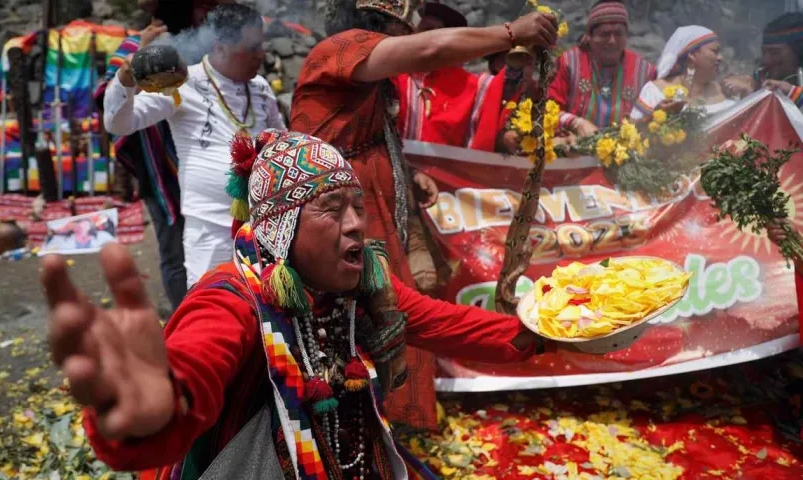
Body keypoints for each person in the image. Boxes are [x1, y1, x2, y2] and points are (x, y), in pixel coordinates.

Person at [43, 129, 552, 480]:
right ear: (281, 227)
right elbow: (193, 364)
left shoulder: (361, 286)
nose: (356, 223)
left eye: (358, 206)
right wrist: (155, 411)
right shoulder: (232, 297)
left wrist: (548, 331)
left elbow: (451, 324)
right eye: (332, 209)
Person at [290, 0, 557, 430]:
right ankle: (349, 420)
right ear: (384, 22)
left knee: (392, 308)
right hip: (329, 215)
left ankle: (387, 417)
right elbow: (430, 52)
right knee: (358, 316)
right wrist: (512, 33)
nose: (407, 34)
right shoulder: (340, 49)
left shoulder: (366, 68)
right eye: (403, 26)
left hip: (367, 205)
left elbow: (368, 133)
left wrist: (408, 175)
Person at [103, 4, 285, 289]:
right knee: (212, 313)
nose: (261, 55)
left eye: (261, 45)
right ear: (221, 47)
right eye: (252, 47)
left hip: (267, 228)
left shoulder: (261, 87)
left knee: (267, 316)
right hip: (210, 235)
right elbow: (119, 124)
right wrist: (125, 81)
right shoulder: (184, 85)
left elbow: (283, 142)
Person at [95, 0, 229, 309]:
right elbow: (107, 96)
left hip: (199, 162)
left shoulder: (202, 46)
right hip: (159, 168)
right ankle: (186, 319)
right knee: (174, 250)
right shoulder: (133, 44)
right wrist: (139, 61)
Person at [548, 0, 656, 132]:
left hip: (626, 149)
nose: (612, 41)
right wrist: (576, 123)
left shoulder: (644, 72)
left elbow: (653, 119)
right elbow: (549, 110)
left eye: (619, 34)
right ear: (589, 36)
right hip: (574, 147)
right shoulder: (570, 63)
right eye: (605, 34)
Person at [391, 2, 478, 146]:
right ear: (412, 33)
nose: (433, 36)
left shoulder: (465, 84)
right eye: (427, 29)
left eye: (440, 31)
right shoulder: (391, 75)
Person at [630, 26, 735, 120]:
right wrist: (655, 116)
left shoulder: (724, 91)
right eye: (715, 51)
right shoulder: (655, 92)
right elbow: (633, 134)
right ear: (692, 55)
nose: (720, 57)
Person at [724, 13, 803, 108]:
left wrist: (791, 92)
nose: (766, 60)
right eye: (764, 52)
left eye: (774, 52)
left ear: (799, 52)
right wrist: (733, 85)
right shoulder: (764, 75)